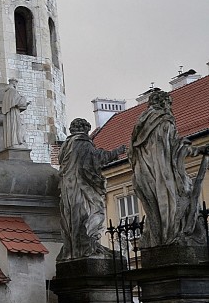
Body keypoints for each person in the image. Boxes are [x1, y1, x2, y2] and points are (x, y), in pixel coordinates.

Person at [130, 88, 209, 248]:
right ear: (164, 102)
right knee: (182, 196)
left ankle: (159, 242)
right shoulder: (164, 122)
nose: (170, 106)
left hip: (144, 175)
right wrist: (198, 150)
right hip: (163, 174)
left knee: (155, 212)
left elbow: (132, 154)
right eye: (169, 103)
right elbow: (175, 148)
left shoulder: (139, 125)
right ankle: (174, 238)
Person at [58, 117, 124, 260]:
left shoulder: (65, 146)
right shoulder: (82, 143)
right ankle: (89, 245)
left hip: (67, 188)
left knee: (72, 219)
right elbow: (96, 158)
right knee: (95, 212)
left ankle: (75, 248)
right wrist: (116, 152)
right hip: (81, 186)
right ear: (85, 129)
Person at [1, 79, 28, 149]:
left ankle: (11, 143)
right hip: (14, 113)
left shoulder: (6, 93)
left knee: (11, 127)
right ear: (14, 83)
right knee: (16, 126)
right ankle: (16, 142)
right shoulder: (13, 91)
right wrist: (24, 99)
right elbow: (18, 102)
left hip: (10, 114)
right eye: (16, 83)